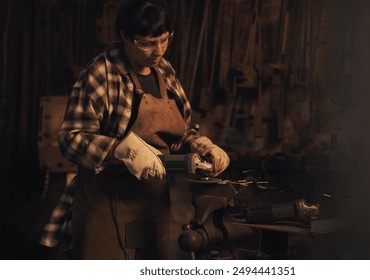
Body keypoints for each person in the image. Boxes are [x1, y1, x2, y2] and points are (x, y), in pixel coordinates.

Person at [39, 0, 229, 260]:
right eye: (148, 43)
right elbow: (70, 139)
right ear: (126, 38)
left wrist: (200, 145)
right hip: (106, 202)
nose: (158, 51)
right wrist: (120, 149)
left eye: (165, 40)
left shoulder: (164, 71)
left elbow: (180, 132)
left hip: (152, 204)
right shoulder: (100, 74)